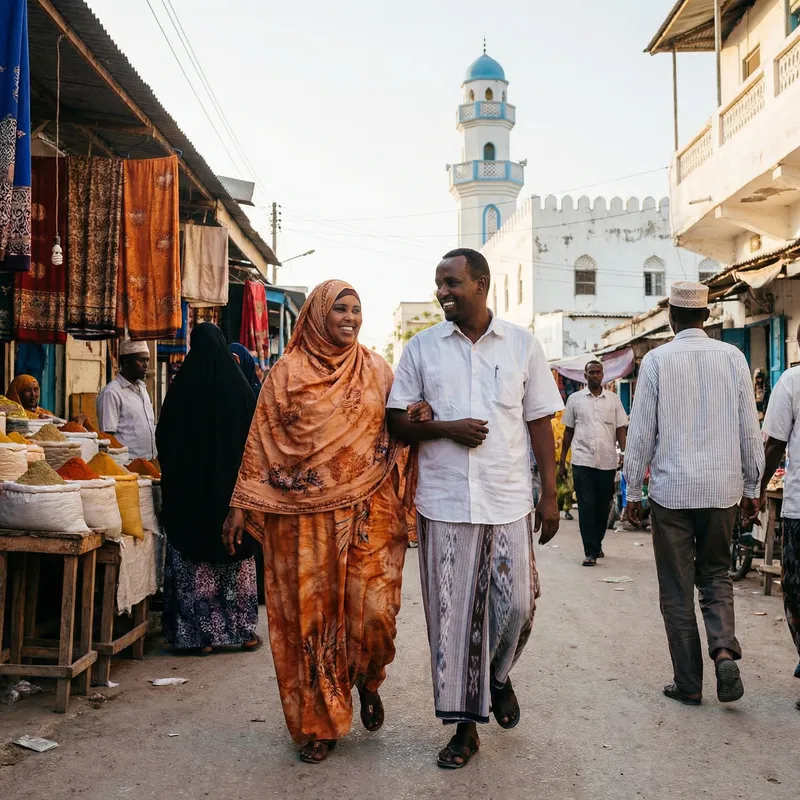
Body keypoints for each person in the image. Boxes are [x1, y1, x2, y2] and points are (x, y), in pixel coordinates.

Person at [223, 280, 427, 764]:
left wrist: (421, 416)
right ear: (316, 314)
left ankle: (366, 679)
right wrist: (240, 504)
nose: (351, 317)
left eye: (357, 309)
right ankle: (319, 722)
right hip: (303, 524)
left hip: (368, 516)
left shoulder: (378, 370)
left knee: (374, 615)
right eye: (341, 308)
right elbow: (261, 444)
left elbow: (397, 431)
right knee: (310, 624)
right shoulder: (284, 375)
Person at [387, 248, 563, 769]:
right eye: (438, 283)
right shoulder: (422, 348)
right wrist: (446, 428)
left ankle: (497, 675)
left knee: (518, 606)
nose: (442, 291)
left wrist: (549, 495)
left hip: (507, 498)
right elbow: (397, 422)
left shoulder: (522, 345)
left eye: (451, 282)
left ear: (481, 284)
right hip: (443, 503)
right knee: (454, 620)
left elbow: (538, 423)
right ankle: (464, 728)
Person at [624, 281, 763, 707]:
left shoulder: (657, 362)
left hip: (672, 493)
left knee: (677, 587)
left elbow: (641, 433)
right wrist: (753, 485)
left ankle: (688, 683)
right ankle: (723, 649)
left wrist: (633, 490)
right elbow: (749, 429)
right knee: (716, 574)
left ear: (671, 316)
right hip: (722, 490)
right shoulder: (734, 358)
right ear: (706, 316)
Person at [156, 323, 261, 656]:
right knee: (233, 564)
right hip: (232, 502)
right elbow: (254, 446)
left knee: (193, 564)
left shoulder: (182, 389)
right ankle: (242, 632)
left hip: (191, 504)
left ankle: (196, 637)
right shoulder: (241, 392)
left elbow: (165, 440)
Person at [759, 331, 800, 711]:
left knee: (796, 590)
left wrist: (758, 486)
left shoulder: (790, 380)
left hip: (799, 510)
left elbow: (774, 443)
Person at [559, 360, 628, 566]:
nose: (595, 375)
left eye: (598, 372)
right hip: (582, 461)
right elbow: (568, 431)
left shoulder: (614, 400)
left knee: (602, 506)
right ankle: (590, 551)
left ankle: (596, 543)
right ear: (585, 375)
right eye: (591, 372)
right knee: (586, 506)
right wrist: (562, 460)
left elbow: (620, 429)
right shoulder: (575, 400)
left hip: (607, 462)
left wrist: (624, 453)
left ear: (603, 375)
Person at [96, 340, 156, 461]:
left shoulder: (143, 390)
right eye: (141, 360)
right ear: (126, 362)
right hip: (127, 463)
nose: (146, 365)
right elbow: (108, 436)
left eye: (147, 360)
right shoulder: (112, 392)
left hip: (149, 461)